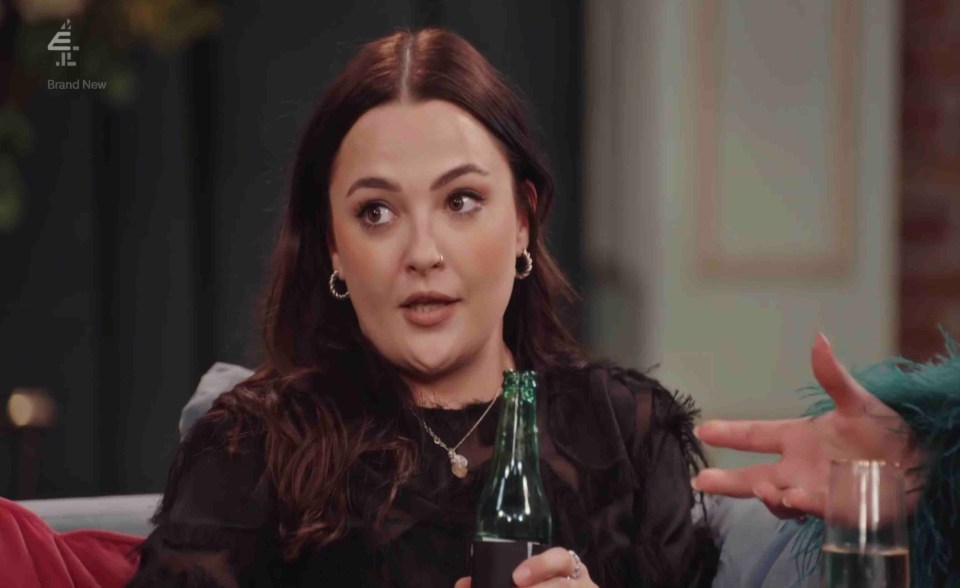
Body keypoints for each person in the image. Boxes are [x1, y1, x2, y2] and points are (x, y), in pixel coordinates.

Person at [125, 27, 923, 588]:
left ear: (524, 221)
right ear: (331, 247)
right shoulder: (255, 446)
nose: (422, 252)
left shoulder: (624, 432)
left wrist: (890, 509)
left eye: (462, 201)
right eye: (376, 212)